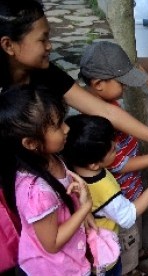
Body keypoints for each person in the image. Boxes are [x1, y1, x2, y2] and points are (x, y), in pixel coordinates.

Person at [0, 0, 148, 149]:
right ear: (9, 45)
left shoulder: (46, 72)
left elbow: (105, 110)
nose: (50, 46)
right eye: (42, 40)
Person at [78, 41, 148, 275]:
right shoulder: (97, 127)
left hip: (132, 186)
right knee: (126, 232)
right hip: (121, 195)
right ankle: (129, 268)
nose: (126, 88)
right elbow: (119, 164)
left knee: (135, 228)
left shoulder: (108, 103)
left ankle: (136, 251)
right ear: (98, 84)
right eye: (122, 83)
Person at [62, 114, 148, 274]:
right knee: (117, 266)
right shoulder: (104, 188)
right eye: (112, 149)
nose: (118, 147)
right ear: (93, 165)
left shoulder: (72, 169)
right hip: (106, 245)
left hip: (91, 236)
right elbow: (127, 216)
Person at [0, 86, 92, 275]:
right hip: (54, 268)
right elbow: (52, 244)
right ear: (31, 143)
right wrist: (85, 208)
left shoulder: (51, 157)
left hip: (71, 251)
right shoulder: (37, 193)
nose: (67, 129)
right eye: (58, 125)